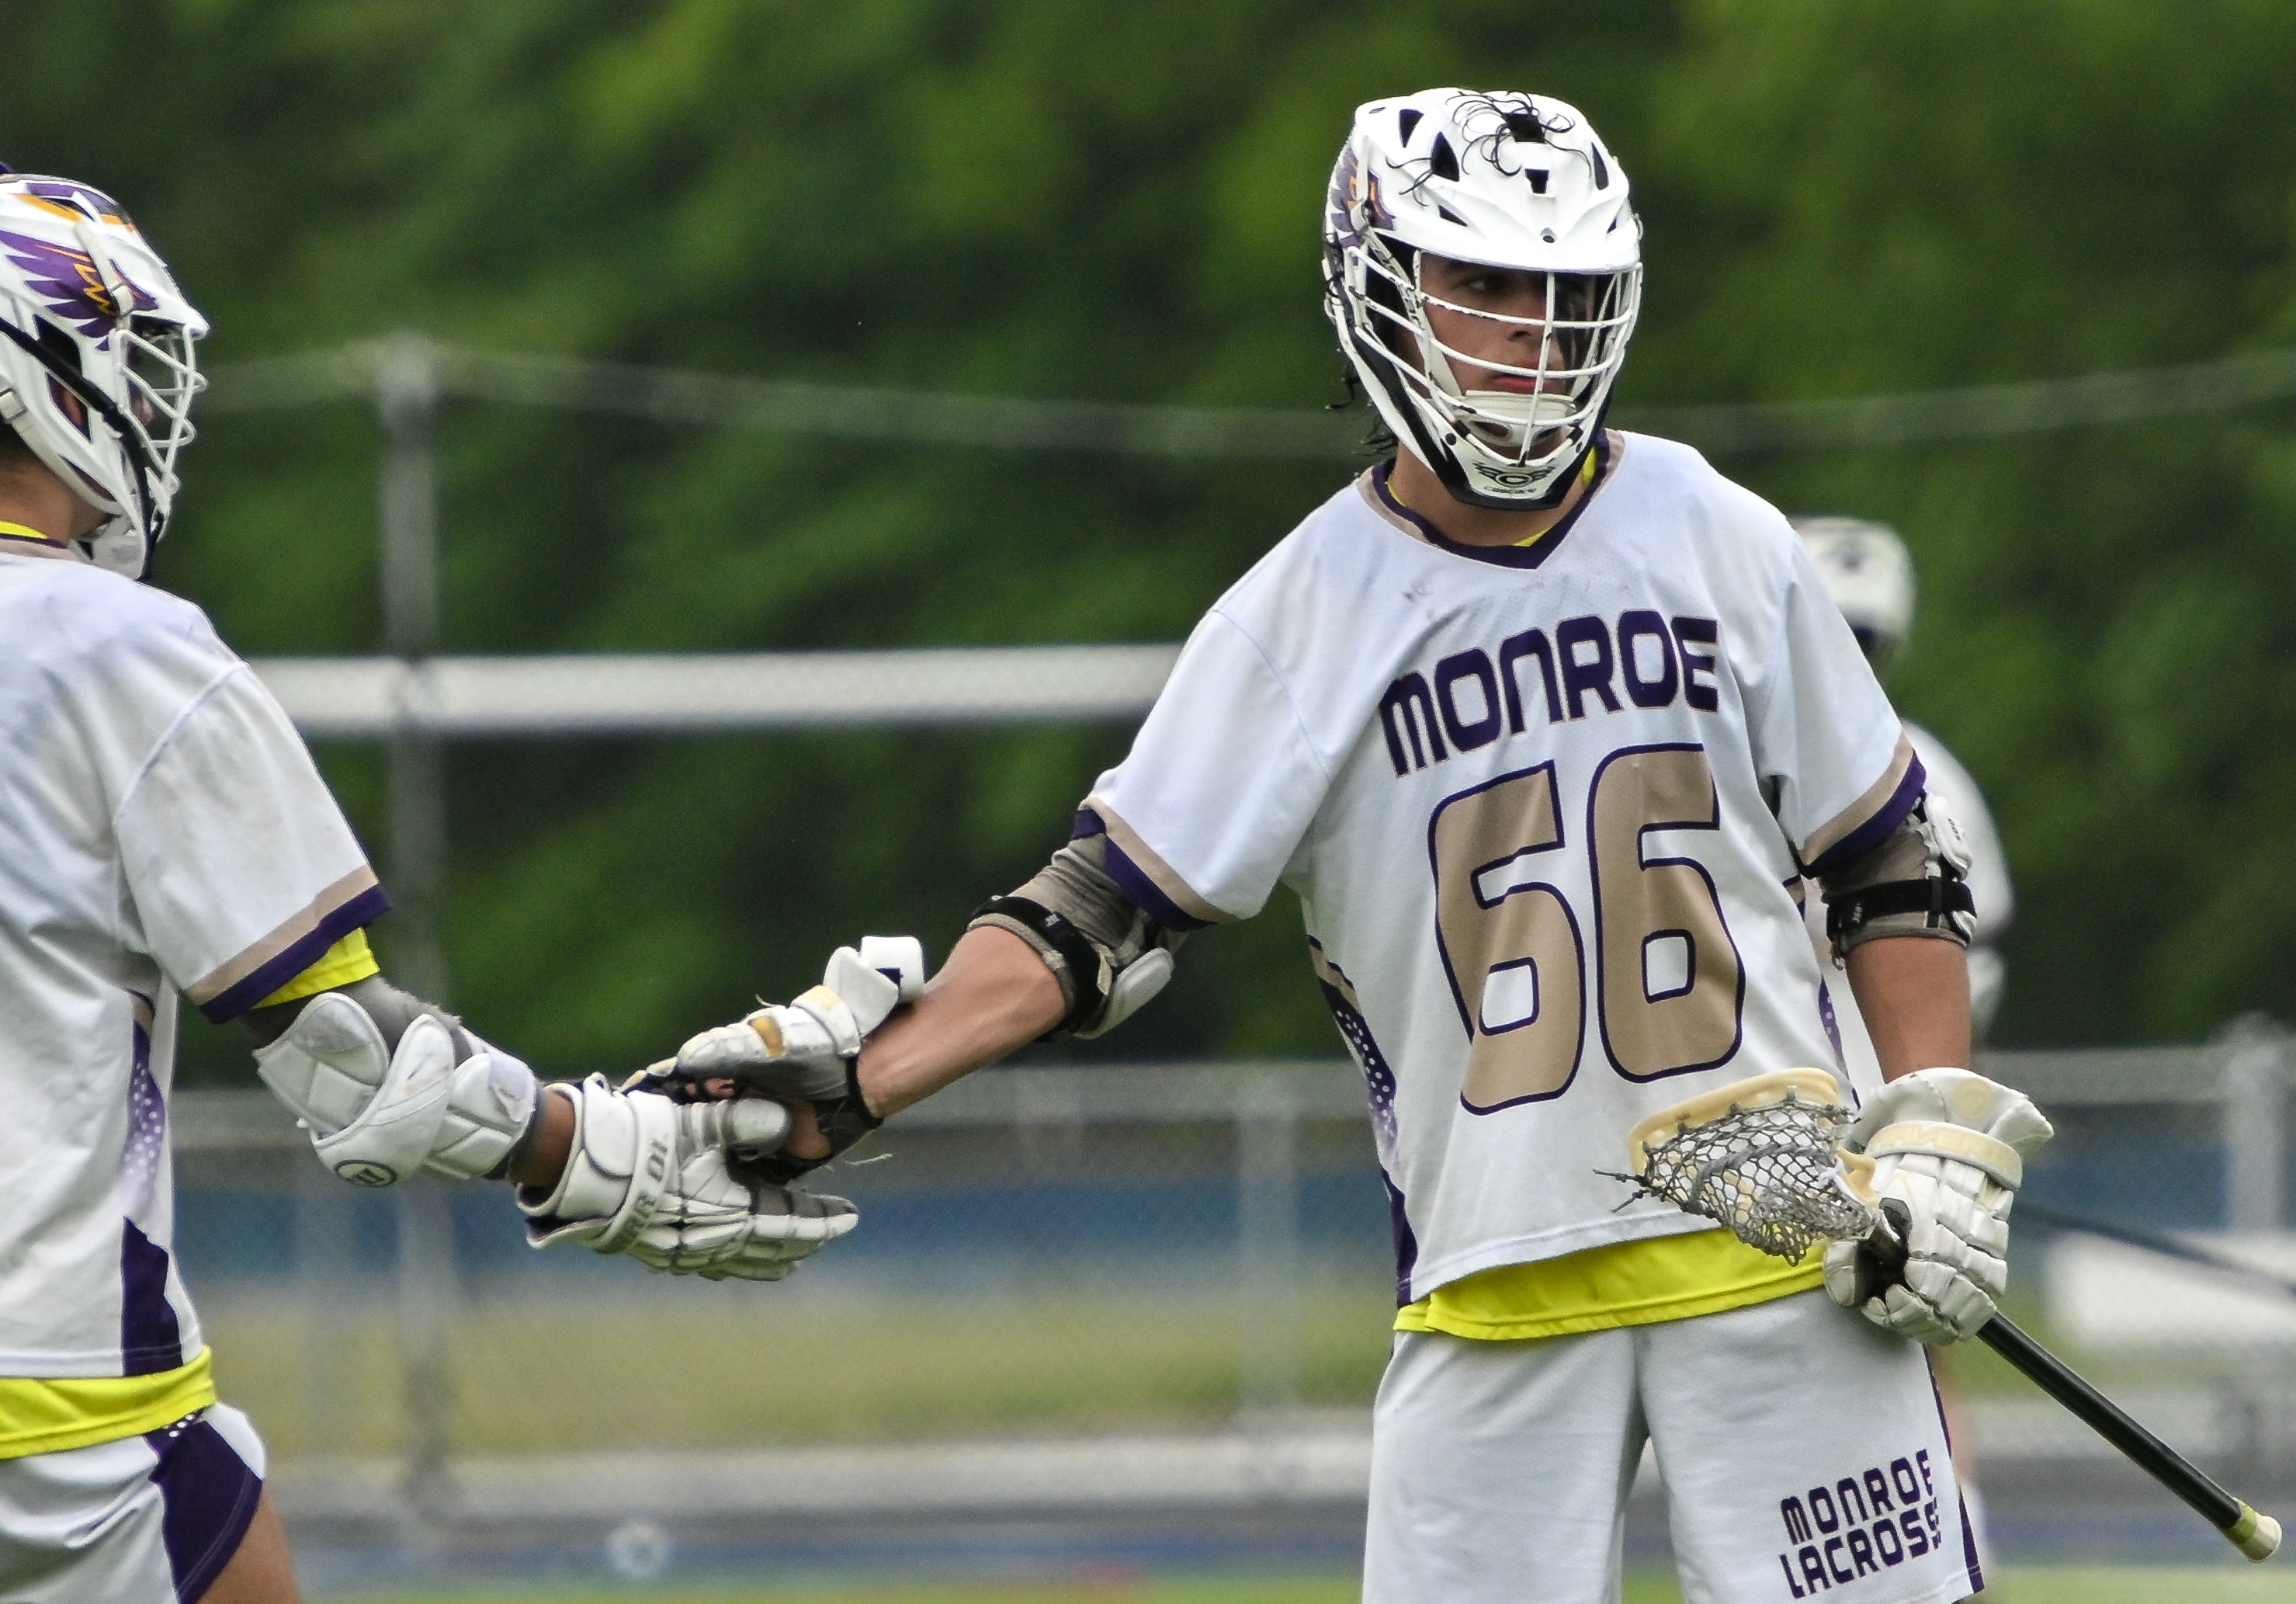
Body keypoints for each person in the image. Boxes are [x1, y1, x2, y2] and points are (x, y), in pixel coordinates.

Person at [655, 91, 2051, 1603]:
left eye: (1567, 293)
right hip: (1491, 1278)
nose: (1533, 332)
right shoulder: (1299, 613)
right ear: (1377, 289)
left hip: (1782, 1251)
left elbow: (1886, 861)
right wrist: (851, 1089)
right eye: (1488, 288)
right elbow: (1089, 920)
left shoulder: (1720, 533)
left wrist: (1927, 1130)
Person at [0, 164, 852, 1604]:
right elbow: (356, 1069)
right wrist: (597, 1151)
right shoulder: (131, 651)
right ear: (42, 355)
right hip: (40, 1384)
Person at [1791, 516, 2016, 1058]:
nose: (1847, 660)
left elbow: (1977, 947)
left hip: (1875, 1042)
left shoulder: (1923, 770)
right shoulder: (1731, 755)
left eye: (1862, 642)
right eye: (1836, 637)